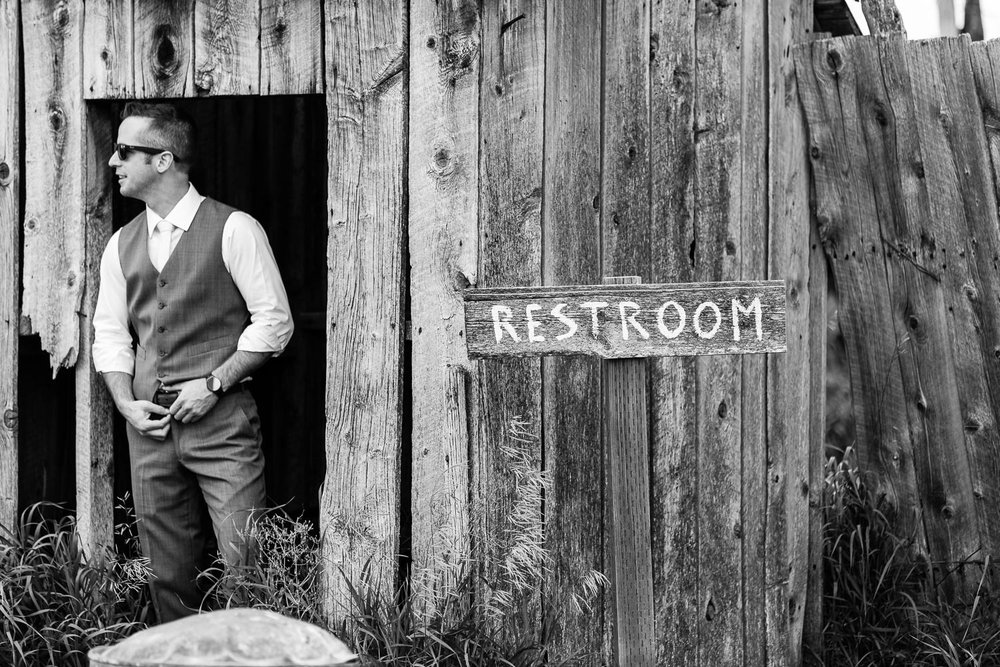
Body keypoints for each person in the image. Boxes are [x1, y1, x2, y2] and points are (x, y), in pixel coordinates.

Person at [92, 102, 294, 623]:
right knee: (167, 575)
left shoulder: (234, 229)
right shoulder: (120, 245)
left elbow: (274, 324)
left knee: (243, 560)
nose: (113, 162)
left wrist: (215, 382)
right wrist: (126, 404)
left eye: (123, 151)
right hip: (150, 432)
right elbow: (111, 334)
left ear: (163, 160)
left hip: (222, 424)